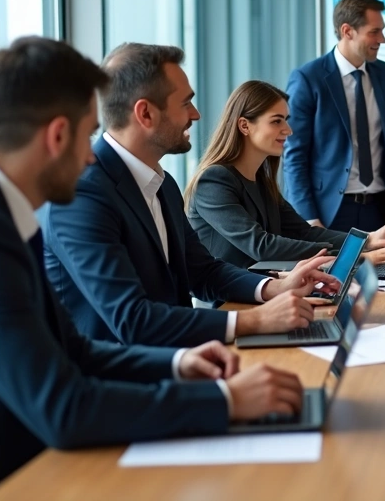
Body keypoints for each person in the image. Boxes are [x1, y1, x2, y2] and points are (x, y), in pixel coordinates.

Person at [0, 38, 306, 497]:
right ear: (57, 136)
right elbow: (63, 407)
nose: (90, 157)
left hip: (29, 451)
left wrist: (182, 363)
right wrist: (225, 400)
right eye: (87, 135)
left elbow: (74, 349)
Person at [42, 43, 339, 348]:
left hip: (181, 360)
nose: (196, 115)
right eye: (186, 103)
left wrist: (274, 288)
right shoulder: (81, 194)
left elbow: (203, 271)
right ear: (145, 113)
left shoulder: (163, 184)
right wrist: (256, 320)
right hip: (122, 383)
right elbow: (132, 320)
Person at [185, 80, 385, 269]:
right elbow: (261, 246)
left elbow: (304, 233)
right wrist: (353, 256)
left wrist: (368, 240)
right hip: (229, 305)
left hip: (269, 290)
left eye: (286, 120)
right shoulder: (213, 181)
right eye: (276, 121)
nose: (288, 130)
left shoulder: (261, 181)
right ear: (245, 126)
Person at [284, 0, 385, 232]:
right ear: (347, 31)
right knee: (331, 271)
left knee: (383, 271)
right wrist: (308, 218)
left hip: (378, 209)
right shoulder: (309, 79)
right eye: (374, 31)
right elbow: (294, 155)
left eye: (382, 30)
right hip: (328, 212)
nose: (382, 39)